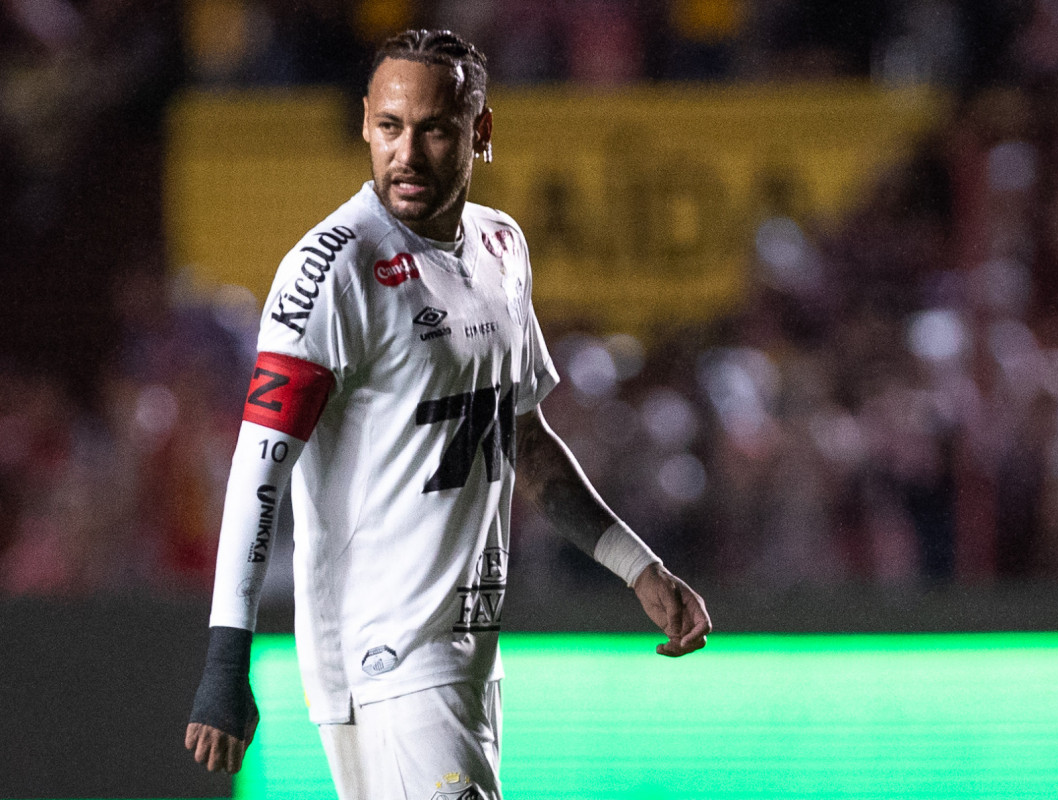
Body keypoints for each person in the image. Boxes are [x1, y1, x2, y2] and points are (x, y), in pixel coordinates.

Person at [184, 29, 711, 799]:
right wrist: (226, 663)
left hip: (468, 654)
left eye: (434, 129)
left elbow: (523, 436)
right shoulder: (332, 269)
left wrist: (637, 567)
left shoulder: (502, 247)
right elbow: (257, 473)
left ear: (480, 131)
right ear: (365, 122)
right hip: (385, 655)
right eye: (390, 127)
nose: (408, 153)